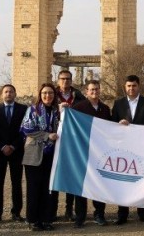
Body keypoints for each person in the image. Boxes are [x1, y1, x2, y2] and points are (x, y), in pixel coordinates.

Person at [111, 75, 144, 225]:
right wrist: (119, 124)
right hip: (123, 150)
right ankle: (122, 214)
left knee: (142, 181)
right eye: (129, 86)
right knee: (122, 181)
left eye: (134, 86)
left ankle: (143, 213)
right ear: (125, 87)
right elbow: (111, 126)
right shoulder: (118, 104)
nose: (131, 88)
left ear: (139, 86)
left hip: (142, 149)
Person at [0, 84, 28, 224]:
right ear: (1, 94)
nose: (8, 94)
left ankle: (16, 212)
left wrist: (13, 146)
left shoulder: (23, 109)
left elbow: (24, 130)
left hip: (16, 151)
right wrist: (3, 146)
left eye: (11, 91)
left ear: (15, 94)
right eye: (6, 92)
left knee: (16, 182)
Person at [21, 83, 60, 231]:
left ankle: (46, 219)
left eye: (50, 93)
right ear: (40, 94)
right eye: (44, 93)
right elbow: (26, 129)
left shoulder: (57, 112)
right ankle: (33, 220)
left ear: (54, 95)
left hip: (51, 155)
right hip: (34, 154)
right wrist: (47, 135)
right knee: (34, 188)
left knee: (47, 189)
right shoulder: (32, 110)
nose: (47, 96)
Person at [72, 80, 111, 228]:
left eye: (96, 89)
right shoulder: (78, 108)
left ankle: (99, 214)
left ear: (100, 90)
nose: (94, 92)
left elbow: (110, 129)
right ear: (86, 92)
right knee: (81, 186)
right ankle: (80, 216)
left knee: (100, 184)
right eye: (91, 90)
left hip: (100, 153)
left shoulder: (106, 109)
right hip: (83, 152)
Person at [55, 69, 85, 221]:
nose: (65, 81)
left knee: (72, 175)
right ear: (58, 80)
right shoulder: (52, 96)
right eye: (62, 79)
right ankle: (51, 210)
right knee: (54, 173)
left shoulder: (78, 96)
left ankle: (69, 208)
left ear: (71, 81)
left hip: (73, 140)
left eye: (67, 79)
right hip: (56, 139)